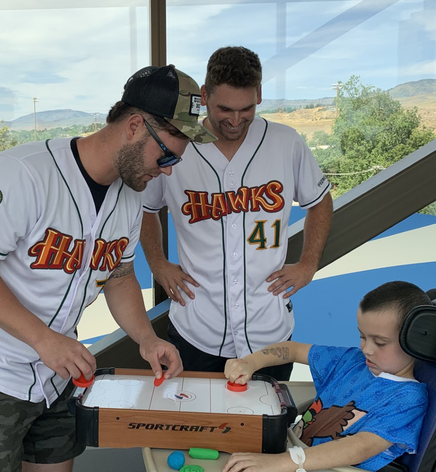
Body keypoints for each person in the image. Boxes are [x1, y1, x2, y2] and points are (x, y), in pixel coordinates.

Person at [0, 64, 216, 472]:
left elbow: (117, 276)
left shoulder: (130, 198)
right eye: (167, 154)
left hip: (57, 371)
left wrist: (146, 339)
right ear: (135, 125)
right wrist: (44, 340)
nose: (167, 169)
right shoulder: (23, 172)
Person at [140, 46, 333, 382]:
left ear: (259, 94)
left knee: (266, 429)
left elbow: (320, 200)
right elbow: (146, 208)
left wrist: (308, 264)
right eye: (224, 108)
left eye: (246, 109)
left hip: (269, 328)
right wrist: (157, 262)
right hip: (197, 326)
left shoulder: (285, 142)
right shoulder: (177, 144)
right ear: (204, 95)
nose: (234, 119)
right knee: (196, 428)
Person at [222, 281, 430, 472]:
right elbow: (293, 350)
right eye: (362, 336)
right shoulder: (352, 360)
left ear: (415, 342)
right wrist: (251, 362)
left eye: (380, 342)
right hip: (286, 452)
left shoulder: (409, 398)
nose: (366, 349)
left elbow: (361, 447)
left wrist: (282, 462)